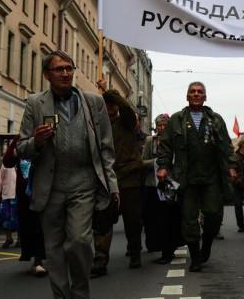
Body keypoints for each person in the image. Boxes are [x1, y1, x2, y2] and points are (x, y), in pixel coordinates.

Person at [17, 50, 119, 299]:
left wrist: (112, 186)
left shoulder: (94, 103)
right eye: (59, 69)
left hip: (83, 184)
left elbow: (106, 148)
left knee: (79, 242)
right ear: (47, 75)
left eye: (69, 68)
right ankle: (61, 296)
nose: (65, 73)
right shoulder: (35, 103)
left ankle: (80, 293)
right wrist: (37, 142)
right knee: (54, 250)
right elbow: (21, 148)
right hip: (50, 186)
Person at [157, 81, 238, 272]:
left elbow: (227, 146)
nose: (195, 94)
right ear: (187, 96)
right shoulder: (176, 120)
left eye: (199, 92)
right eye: (192, 92)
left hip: (211, 178)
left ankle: (207, 242)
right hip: (186, 179)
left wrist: (232, 166)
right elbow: (166, 147)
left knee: (213, 215)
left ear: (205, 97)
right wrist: (163, 167)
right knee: (189, 219)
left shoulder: (216, 119)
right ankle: (195, 257)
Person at [91, 82, 144, 275]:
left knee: (132, 220)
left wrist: (108, 92)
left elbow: (127, 108)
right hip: (105, 180)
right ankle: (100, 260)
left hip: (128, 178)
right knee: (103, 221)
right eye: (106, 104)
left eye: (112, 104)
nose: (110, 108)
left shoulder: (127, 122)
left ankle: (135, 252)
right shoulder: (97, 125)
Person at [2, 135, 47, 277]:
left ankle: (39, 261)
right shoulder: (20, 138)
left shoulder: (47, 133)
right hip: (24, 194)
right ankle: (35, 259)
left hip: (44, 190)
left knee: (41, 225)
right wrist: (17, 149)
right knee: (28, 226)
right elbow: (8, 161)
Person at [142, 113, 183, 264]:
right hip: (152, 185)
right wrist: (156, 162)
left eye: (165, 125)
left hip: (170, 186)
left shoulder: (176, 141)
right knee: (153, 219)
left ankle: (169, 250)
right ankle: (155, 245)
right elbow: (142, 162)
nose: (162, 128)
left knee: (170, 218)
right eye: (159, 125)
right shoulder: (149, 141)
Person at [0, 160, 19, 249]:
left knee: (18, 217)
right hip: (6, 194)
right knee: (5, 218)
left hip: (18, 195)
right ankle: (8, 238)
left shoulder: (24, 160)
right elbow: (1, 176)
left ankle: (20, 239)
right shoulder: (6, 162)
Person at [234, 139, 244, 233]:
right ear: (242, 145)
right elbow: (232, 168)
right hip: (238, 184)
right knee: (238, 205)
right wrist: (236, 179)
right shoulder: (235, 157)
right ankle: (241, 225)